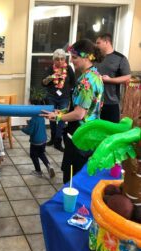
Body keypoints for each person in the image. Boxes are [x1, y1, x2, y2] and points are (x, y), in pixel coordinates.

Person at [41, 39, 104, 184]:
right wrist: (60, 112)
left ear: (87, 57)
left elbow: (79, 114)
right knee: (83, 176)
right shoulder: (96, 75)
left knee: (71, 178)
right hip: (92, 133)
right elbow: (86, 110)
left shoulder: (86, 81)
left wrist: (57, 117)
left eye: (75, 58)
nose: (72, 61)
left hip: (79, 135)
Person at [42, 49, 75, 152]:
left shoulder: (69, 69)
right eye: (57, 59)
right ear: (54, 60)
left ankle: (58, 141)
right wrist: (52, 77)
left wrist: (69, 93)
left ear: (65, 59)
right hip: (52, 97)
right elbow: (43, 83)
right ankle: (52, 138)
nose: (60, 61)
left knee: (61, 119)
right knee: (52, 118)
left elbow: (73, 83)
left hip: (64, 98)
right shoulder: (50, 69)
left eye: (62, 59)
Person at [95, 33, 131, 123]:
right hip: (94, 102)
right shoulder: (96, 58)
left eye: (98, 43)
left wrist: (110, 80)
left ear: (106, 42)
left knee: (111, 132)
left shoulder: (120, 58)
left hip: (110, 102)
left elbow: (127, 77)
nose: (96, 45)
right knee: (96, 132)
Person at [22, 98, 55, 178]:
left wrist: (22, 128)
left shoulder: (33, 119)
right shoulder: (41, 117)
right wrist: (29, 122)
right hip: (43, 140)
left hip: (35, 142)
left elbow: (30, 131)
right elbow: (37, 125)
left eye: (30, 105)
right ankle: (48, 165)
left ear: (33, 106)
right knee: (41, 153)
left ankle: (38, 171)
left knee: (33, 155)